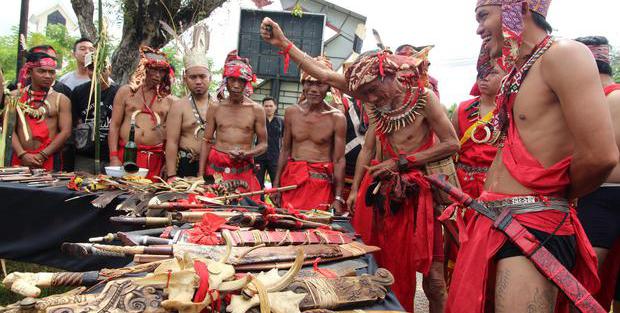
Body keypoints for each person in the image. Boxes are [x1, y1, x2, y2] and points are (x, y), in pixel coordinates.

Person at [260, 20, 459, 312]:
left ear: (390, 77)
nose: (371, 100)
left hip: (419, 194)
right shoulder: (369, 93)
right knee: (377, 260)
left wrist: (400, 161)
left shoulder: (423, 98)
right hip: (383, 193)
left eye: (375, 92)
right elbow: (325, 74)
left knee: (433, 277)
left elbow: (452, 143)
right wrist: (283, 43)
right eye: (364, 95)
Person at [446, 1, 618, 312]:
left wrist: (550, 196)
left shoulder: (565, 54)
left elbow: (602, 156)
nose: (478, 28)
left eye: (484, 15)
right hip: (498, 221)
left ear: (517, 8)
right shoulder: (520, 71)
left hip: (534, 225)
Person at [575, 35, 620, 311]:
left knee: (584, 281)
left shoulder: (591, 102)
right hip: (601, 194)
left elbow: (599, 157)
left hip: (597, 194)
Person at [274, 56, 346, 212]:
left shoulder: (337, 118)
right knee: (286, 228)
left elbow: (339, 160)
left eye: (319, 84)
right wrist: (276, 185)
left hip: (320, 187)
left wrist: (338, 197)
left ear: (328, 87)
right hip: (291, 182)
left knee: (317, 232)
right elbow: (285, 150)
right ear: (303, 85)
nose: (314, 89)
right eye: (309, 83)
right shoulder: (292, 112)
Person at [198, 50, 267, 193]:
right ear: (226, 81)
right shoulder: (215, 107)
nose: (236, 85)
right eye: (232, 80)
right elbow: (206, 140)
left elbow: (263, 144)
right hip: (216, 170)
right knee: (213, 209)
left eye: (241, 80)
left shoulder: (256, 109)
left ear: (247, 83)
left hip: (243, 169)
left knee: (243, 212)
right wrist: (200, 174)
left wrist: (247, 153)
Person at [108, 46, 175, 179]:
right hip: (126, 156)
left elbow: (171, 137)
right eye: (154, 69)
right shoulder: (126, 92)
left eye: (161, 71)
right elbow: (114, 125)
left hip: (154, 160)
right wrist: (114, 156)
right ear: (144, 68)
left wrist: (168, 163)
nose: (157, 75)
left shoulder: (169, 101)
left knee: (149, 198)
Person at [452, 53, 505, 200]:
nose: (484, 77)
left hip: (497, 184)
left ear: (507, 75)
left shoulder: (512, 109)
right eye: (481, 72)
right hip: (462, 185)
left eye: (493, 72)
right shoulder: (462, 109)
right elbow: (451, 146)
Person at [11, 46, 71, 171]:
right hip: (19, 158)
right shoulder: (14, 97)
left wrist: (42, 155)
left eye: (52, 72)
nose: (48, 76)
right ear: (29, 72)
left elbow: (65, 132)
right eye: (42, 71)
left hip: (49, 159)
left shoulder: (62, 99)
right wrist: (22, 154)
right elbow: (9, 130)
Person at [165, 48, 213, 179]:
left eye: (202, 76)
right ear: (185, 79)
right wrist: (171, 175)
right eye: (193, 77)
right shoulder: (178, 106)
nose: (198, 81)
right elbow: (171, 142)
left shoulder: (219, 105)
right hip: (185, 164)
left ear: (210, 77)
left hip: (212, 165)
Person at [71, 52, 119, 173]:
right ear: (86, 70)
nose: (97, 72)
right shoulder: (78, 92)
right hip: (85, 157)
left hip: (111, 157)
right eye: (92, 68)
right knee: (82, 188)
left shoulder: (119, 92)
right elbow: (75, 122)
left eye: (101, 68)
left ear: (110, 69)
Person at [254, 96, 283, 188]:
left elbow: (285, 139)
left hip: (275, 157)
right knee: (258, 182)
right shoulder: (258, 121)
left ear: (275, 107)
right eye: (266, 106)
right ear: (262, 107)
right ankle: (259, 201)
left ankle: (276, 201)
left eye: (271, 106)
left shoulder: (281, 122)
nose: (268, 108)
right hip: (259, 156)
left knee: (276, 182)